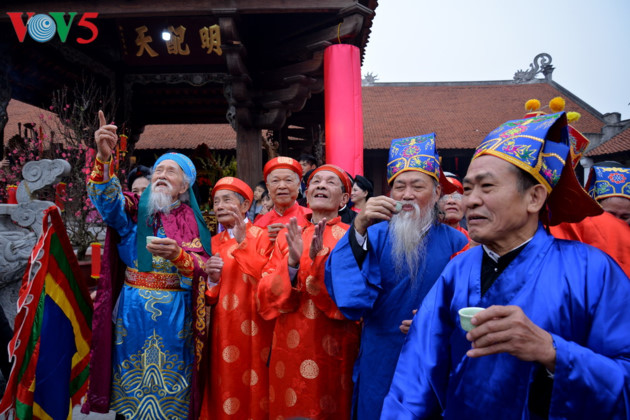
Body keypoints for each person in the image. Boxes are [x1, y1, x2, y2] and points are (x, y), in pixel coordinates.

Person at [381, 112, 630, 419]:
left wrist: (553, 352)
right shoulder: (458, 270)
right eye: (468, 189)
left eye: (486, 187)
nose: (471, 201)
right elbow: (414, 376)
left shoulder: (593, 271)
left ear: (534, 197)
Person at [325, 133, 468, 420]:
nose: (407, 194)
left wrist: (436, 320)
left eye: (418, 186)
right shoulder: (373, 234)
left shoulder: (457, 242)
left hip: (433, 354)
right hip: (381, 353)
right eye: (399, 187)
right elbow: (349, 295)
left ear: (436, 194)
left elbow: (469, 299)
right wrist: (358, 227)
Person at [85, 111, 212, 419]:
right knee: (131, 388)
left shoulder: (195, 222)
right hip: (132, 312)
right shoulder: (132, 210)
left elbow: (204, 266)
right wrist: (104, 159)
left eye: (171, 171)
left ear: (185, 186)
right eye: (158, 170)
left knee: (173, 388)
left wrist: (179, 256)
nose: (162, 175)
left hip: (175, 315)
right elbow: (107, 202)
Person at [258, 164, 361, 419]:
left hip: (334, 343)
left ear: (344, 199)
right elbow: (265, 292)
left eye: (330, 182)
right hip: (289, 345)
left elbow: (354, 295)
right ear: (307, 193)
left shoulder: (352, 237)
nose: (321, 185)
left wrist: (317, 264)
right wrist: (291, 264)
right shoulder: (287, 236)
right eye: (315, 181)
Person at [199, 177, 275, 420]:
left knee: (258, 384)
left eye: (227, 200)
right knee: (225, 382)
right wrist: (212, 280)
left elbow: (270, 280)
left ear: (245, 206)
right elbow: (208, 297)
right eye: (216, 202)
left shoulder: (264, 236)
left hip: (259, 325)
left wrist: (243, 244)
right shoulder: (211, 243)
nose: (220, 206)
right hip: (224, 327)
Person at [438, 172, 469, 240]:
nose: (451, 201)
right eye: (444, 197)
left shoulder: (474, 240)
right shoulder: (422, 239)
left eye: (457, 197)